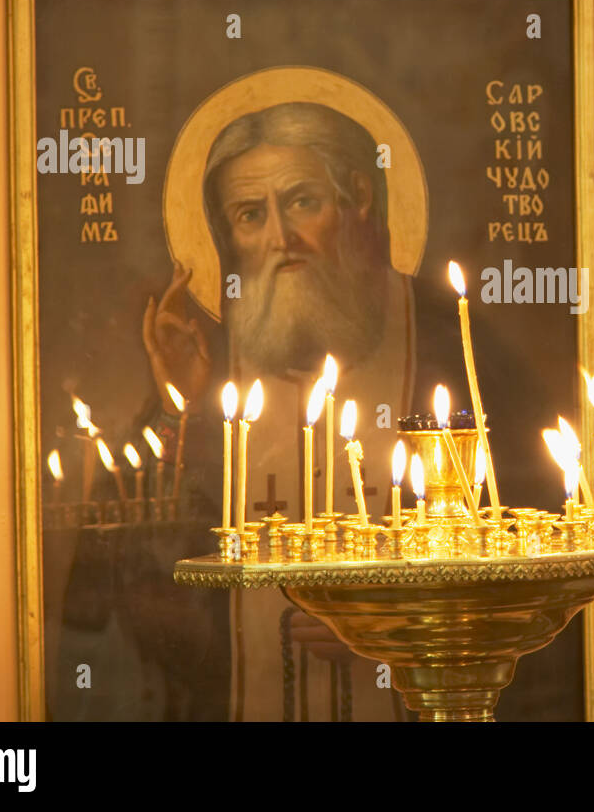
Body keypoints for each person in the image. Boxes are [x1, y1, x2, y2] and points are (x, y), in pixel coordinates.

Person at [142, 101, 416, 721]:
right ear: (226, 235)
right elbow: (140, 574)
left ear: (358, 199)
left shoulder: (453, 351)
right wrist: (174, 407)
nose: (279, 238)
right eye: (249, 215)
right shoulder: (209, 357)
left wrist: (392, 631)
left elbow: (518, 556)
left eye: (301, 202)